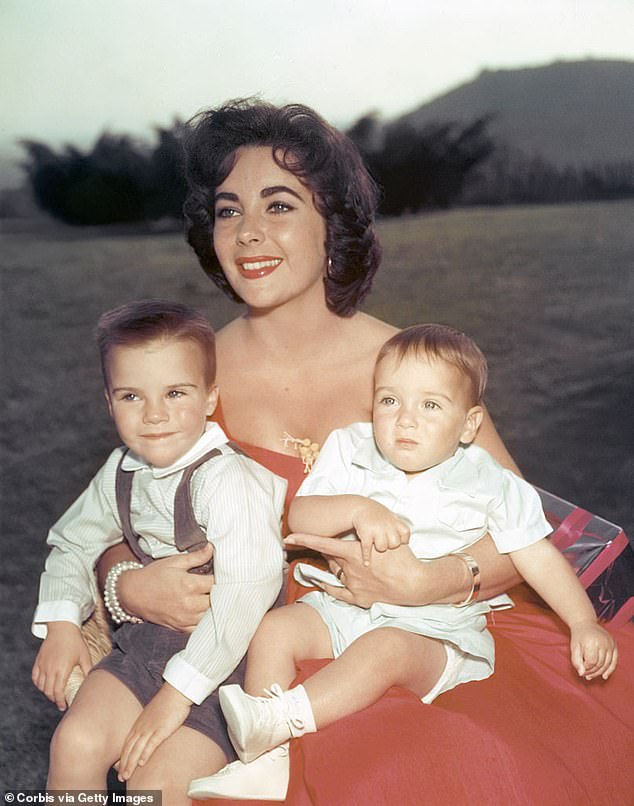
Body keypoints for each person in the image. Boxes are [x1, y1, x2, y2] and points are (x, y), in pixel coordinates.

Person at [96, 99, 634, 805]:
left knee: (432, 773)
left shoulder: (410, 373)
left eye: (279, 205)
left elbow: (522, 528)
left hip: (415, 642)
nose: (250, 233)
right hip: (251, 645)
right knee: (154, 787)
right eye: (229, 211)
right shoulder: (191, 376)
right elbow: (118, 520)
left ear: (333, 226)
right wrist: (125, 587)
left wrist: (429, 582)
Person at [191, 323, 617, 800]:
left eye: (430, 405)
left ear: (470, 425)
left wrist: (582, 622)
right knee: (275, 631)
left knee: (385, 649)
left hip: (432, 633)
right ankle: (268, 761)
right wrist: (357, 508)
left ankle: (280, 717)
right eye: (390, 401)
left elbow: (536, 554)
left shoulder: (488, 481)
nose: (405, 420)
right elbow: (303, 516)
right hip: (345, 607)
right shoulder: (352, 449)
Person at [31, 300, 285, 804]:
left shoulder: (227, 481)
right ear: (108, 402)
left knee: (154, 785)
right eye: (131, 395)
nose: (154, 414)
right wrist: (61, 624)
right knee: (76, 741)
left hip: (230, 667)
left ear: (211, 397)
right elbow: (73, 540)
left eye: (175, 392)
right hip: (147, 649)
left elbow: (244, 598)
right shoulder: (121, 469)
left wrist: (176, 695)